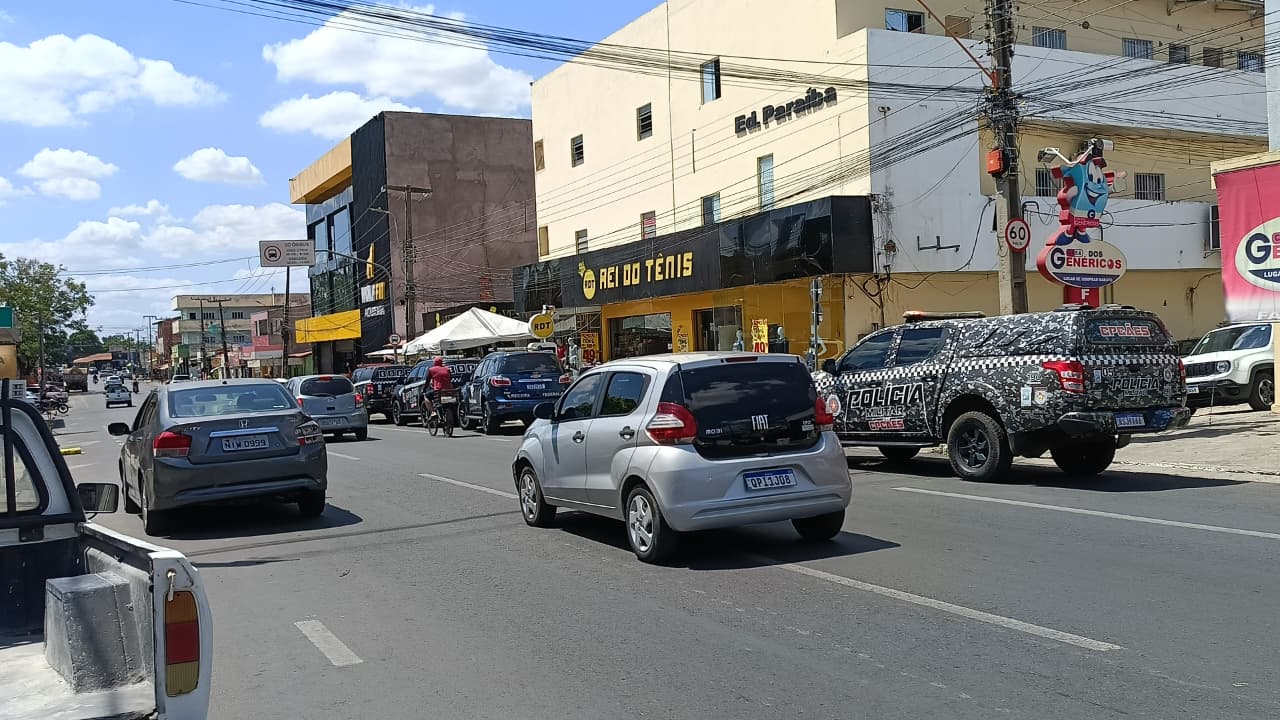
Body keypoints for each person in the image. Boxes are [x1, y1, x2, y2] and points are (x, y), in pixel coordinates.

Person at [422, 357, 453, 421]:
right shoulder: (447, 369)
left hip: (438, 391)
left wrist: (424, 389)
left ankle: (433, 412)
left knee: (426, 396)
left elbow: (427, 381)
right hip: (448, 391)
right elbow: (450, 378)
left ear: (434, 363)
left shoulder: (432, 370)